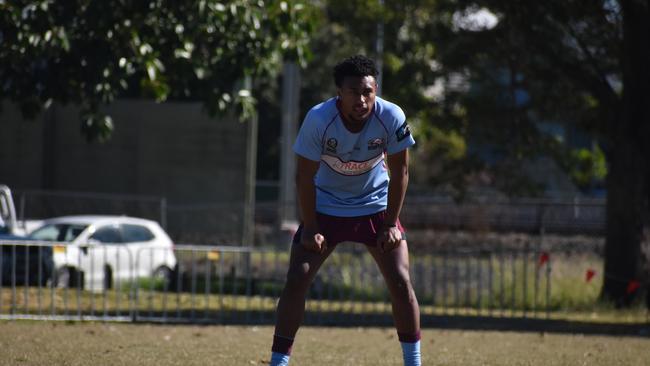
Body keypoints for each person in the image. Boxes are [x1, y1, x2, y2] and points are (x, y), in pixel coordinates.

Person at [269, 55, 421, 366]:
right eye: (353, 92)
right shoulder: (318, 119)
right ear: (339, 92)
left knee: (400, 279)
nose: (361, 100)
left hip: (375, 206)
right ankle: (278, 361)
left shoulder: (391, 116)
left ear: (375, 89)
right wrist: (310, 227)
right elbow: (303, 177)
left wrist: (391, 224)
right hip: (326, 206)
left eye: (368, 92)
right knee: (298, 277)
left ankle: (413, 362)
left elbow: (401, 173)